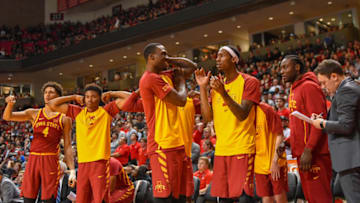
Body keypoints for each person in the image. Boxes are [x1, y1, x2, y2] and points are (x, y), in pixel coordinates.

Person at [195, 45, 260, 203]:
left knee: (245, 198)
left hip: (243, 147)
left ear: (234, 59)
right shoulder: (216, 86)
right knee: (224, 199)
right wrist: (203, 88)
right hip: (222, 150)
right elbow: (208, 118)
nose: (217, 59)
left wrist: (223, 93)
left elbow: (242, 114)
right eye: (216, 56)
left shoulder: (249, 82)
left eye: (222, 55)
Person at [47, 84, 132, 203]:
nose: (90, 99)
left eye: (93, 96)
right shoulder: (78, 112)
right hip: (82, 164)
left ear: (99, 98)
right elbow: (51, 104)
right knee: (82, 199)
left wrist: (111, 93)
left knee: (100, 199)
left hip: (100, 162)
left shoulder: (106, 111)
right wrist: (74, 96)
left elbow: (130, 98)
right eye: (87, 97)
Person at [137, 42, 197, 202]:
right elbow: (181, 100)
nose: (166, 56)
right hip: (161, 145)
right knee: (166, 198)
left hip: (176, 143)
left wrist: (169, 59)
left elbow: (192, 67)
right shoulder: (150, 79)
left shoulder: (165, 75)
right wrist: (182, 82)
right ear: (151, 57)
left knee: (181, 197)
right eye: (163, 53)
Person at [2, 82, 76, 203]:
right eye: (46, 92)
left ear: (58, 97)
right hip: (33, 158)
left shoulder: (64, 118)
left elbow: (67, 146)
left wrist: (72, 170)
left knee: (49, 198)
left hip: (50, 159)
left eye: (51, 92)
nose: (47, 95)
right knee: (28, 197)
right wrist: (9, 105)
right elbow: (7, 117)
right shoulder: (34, 113)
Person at [279, 55, 332, 202]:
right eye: (281, 68)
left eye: (285, 67)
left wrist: (308, 150)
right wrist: (288, 142)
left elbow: (319, 122)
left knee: (321, 198)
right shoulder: (294, 89)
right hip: (302, 155)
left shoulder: (309, 87)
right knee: (311, 198)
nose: (281, 71)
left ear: (297, 67)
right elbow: (300, 124)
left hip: (315, 154)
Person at [311, 59, 360, 203]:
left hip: (351, 158)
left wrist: (322, 123)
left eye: (323, 83)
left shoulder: (346, 90)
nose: (323, 87)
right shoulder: (350, 87)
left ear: (334, 76)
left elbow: (346, 126)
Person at [254, 102, 287, 203]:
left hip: (275, 161)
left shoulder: (266, 109)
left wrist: (275, 161)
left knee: (279, 197)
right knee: (266, 198)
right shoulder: (242, 115)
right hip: (259, 165)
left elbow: (280, 136)